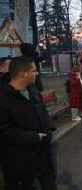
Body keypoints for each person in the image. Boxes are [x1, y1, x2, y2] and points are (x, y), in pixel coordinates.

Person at [0, 56, 57, 190]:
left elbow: (42, 110)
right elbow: (4, 130)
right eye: (34, 70)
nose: (37, 73)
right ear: (22, 73)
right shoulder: (4, 98)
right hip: (20, 159)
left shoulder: (32, 90)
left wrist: (49, 128)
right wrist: (35, 137)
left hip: (43, 153)